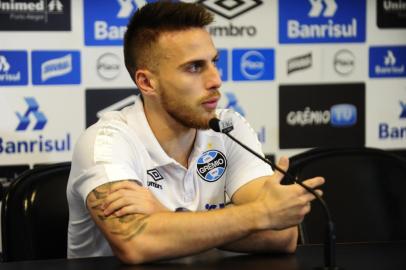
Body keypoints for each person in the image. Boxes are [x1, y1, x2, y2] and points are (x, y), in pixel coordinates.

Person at [67, 1, 324, 264]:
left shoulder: (228, 127)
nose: (216, 80)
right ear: (146, 82)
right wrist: (260, 214)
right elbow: (136, 243)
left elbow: (283, 235)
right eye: (194, 67)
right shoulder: (105, 142)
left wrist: (166, 215)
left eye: (214, 62)